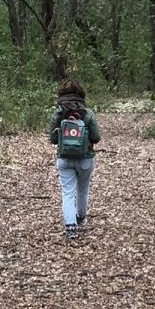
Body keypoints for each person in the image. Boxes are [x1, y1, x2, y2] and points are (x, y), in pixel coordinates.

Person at [48, 79, 102, 240]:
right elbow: (96, 138)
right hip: (85, 158)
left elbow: (53, 139)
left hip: (64, 159)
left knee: (67, 192)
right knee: (83, 189)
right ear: (81, 94)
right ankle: (80, 217)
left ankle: (70, 226)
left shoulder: (58, 113)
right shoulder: (88, 113)